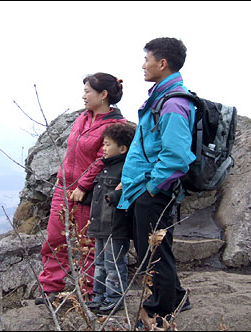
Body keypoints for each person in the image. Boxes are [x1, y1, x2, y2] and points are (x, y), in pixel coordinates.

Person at [117, 37, 195, 325]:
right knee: (155, 248)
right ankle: (176, 296)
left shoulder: (173, 103)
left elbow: (176, 155)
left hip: (154, 191)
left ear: (162, 64)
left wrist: (151, 188)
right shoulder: (162, 98)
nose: (143, 65)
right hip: (146, 188)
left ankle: (161, 310)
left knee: (154, 252)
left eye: (147, 59)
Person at [35, 73, 127, 305]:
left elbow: (103, 159)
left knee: (88, 244)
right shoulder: (81, 119)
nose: (83, 95)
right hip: (63, 188)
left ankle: (88, 292)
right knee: (55, 239)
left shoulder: (116, 126)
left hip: (90, 193)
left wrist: (83, 186)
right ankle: (50, 289)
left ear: (103, 95)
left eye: (88, 91)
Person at [85, 123, 135, 314]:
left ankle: (114, 298)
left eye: (107, 145)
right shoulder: (104, 169)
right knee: (99, 263)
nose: (103, 149)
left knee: (113, 264)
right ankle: (98, 296)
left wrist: (115, 196)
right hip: (101, 226)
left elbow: (128, 194)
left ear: (122, 149)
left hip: (116, 227)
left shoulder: (125, 170)